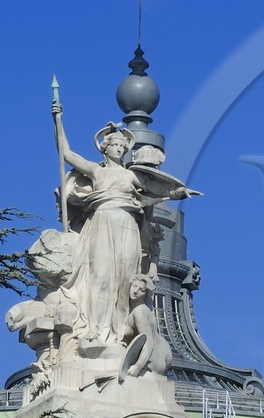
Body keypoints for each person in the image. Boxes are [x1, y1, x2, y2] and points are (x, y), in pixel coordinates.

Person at [51, 104, 199, 350]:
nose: (119, 149)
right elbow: (66, 153)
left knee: (124, 279)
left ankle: (119, 333)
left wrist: (180, 192)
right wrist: (58, 120)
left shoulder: (131, 176)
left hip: (128, 226)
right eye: (115, 145)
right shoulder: (97, 172)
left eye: (123, 146)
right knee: (99, 275)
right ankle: (95, 331)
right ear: (105, 148)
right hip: (102, 222)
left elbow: (159, 189)